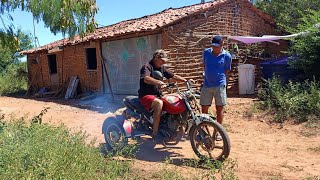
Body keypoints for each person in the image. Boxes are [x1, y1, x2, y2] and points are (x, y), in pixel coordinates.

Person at [138, 49, 187, 143]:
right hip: (146, 95)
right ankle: (155, 133)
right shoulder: (147, 67)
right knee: (159, 103)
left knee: (176, 99)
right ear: (156, 58)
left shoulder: (161, 68)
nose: (164, 62)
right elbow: (146, 78)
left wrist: (185, 80)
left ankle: (171, 126)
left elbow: (172, 76)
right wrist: (158, 82)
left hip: (158, 94)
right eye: (162, 60)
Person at [200, 35, 232, 140]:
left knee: (219, 108)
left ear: (222, 45)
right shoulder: (206, 52)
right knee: (204, 108)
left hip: (220, 85)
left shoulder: (227, 56)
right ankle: (203, 131)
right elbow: (204, 65)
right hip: (207, 84)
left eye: (216, 46)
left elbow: (227, 70)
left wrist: (218, 77)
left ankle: (218, 132)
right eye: (213, 46)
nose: (214, 48)